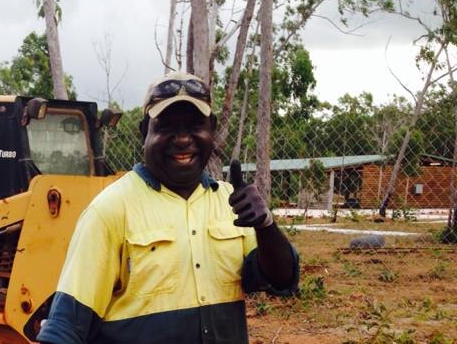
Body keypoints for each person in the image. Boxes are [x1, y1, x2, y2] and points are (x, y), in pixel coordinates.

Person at [37, 72, 299, 344]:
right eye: (167, 126)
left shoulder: (231, 203)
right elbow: (66, 328)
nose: (183, 139)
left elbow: (282, 279)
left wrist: (265, 225)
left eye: (195, 125)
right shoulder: (110, 210)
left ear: (212, 128)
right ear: (144, 132)